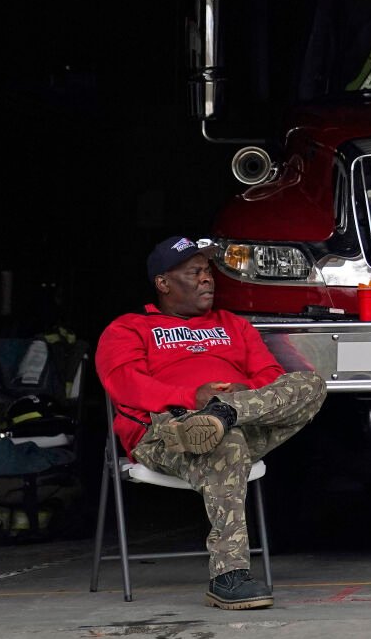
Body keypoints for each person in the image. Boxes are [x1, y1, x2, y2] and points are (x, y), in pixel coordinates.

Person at [96, 235, 327, 610]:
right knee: (227, 442)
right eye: (195, 272)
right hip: (167, 432)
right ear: (163, 283)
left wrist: (234, 398)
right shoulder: (129, 328)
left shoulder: (233, 325)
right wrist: (193, 399)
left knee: (310, 384)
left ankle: (226, 413)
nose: (208, 279)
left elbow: (269, 373)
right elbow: (126, 384)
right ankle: (228, 576)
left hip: (240, 417)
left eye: (208, 271)